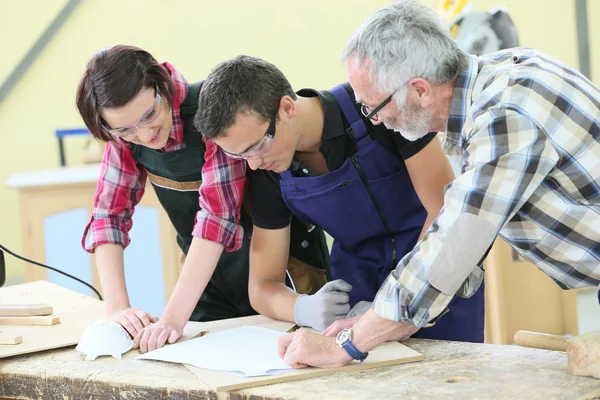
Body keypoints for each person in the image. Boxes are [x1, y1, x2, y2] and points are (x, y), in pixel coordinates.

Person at [276, 0, 600, 369]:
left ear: (419, 90)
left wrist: (348, 344)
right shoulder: (507, 73)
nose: (376, 121)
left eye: (373, 107)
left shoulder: (504, 118)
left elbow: (453, 247)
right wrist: (380, 322)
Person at [195, 55, 486, 341]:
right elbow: (261, 286)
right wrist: (302, 308)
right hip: (356, 289)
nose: (254, 163)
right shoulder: (268, 170)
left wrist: (394, 302)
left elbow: (444, 211)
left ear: (286, 108)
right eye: (239, 154)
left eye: (257, 146)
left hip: (436, 276)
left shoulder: (377, 107)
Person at [75, 45, 331, 353]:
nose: (144, 135)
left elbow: (216, 216)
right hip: (205, 283)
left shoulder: (211, 109)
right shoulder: (122, 135)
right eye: (126, 130)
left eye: (149, 115)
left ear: (162, 85)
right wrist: (117, 311)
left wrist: (171, 319)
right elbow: (108, 217)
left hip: (281, 271)